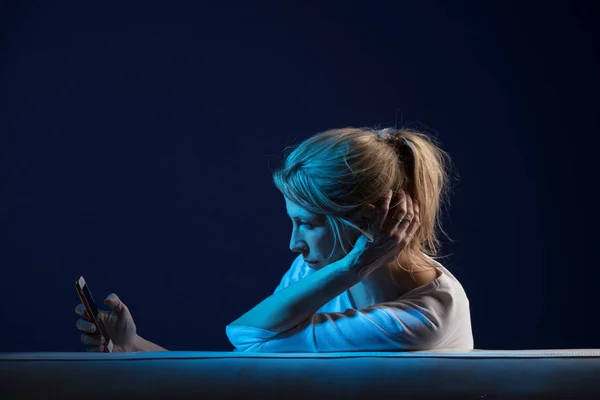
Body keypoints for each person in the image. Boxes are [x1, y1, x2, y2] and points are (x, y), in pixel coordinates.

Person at [75, 126, 473, 353]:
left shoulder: (424, 320)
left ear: (370, 221)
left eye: (310, 224)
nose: (294, 244)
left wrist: (353, 266)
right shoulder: (318, 267)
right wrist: (135, 348)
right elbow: (249, 368)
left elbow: (248, 338)